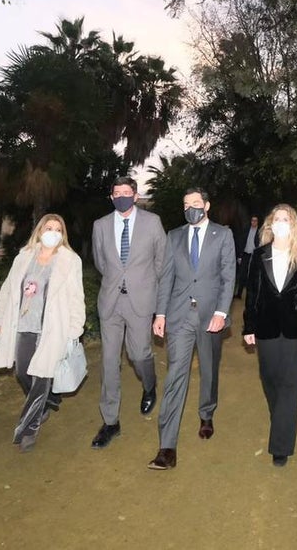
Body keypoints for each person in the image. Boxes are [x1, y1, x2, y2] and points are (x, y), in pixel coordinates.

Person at [148, 187, 236, 470]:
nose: (191, 208)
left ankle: (206, 412)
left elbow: (228, 276)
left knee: (209, 368)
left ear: (206, 206)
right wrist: (160, 313)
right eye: (186, 204)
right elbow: (166, 278)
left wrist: (221, 312)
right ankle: (167, 448)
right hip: (180, 315)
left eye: (196, 203)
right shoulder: (174, 236)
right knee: (175, 374)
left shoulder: (223, 234)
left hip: (210, 316)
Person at [0, 213, 85, 453]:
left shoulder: (70, 260)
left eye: (58, 230)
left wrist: (75, 328)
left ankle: (28, 430)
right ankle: (47, 400)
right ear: (40, 231)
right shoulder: (24, 257)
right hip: (23, 325)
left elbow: (77, 296)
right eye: (48, 228)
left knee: (41, 376)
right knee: (23, 373)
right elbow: (8, 288)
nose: (53, 233)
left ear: (62, 235)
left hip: (52, 329)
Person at [90, 176, 168, 449]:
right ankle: (110, 421)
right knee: (109, 361)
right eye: (117, 193)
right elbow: (100, 262)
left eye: (127, 192)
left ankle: (149, 385)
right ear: (111, 197)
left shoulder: (152, 222)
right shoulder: (100, 225)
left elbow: (161, 262)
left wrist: (146, 286)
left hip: (141, 300)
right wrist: (118, 279)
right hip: (111, 302)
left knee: (139, 354)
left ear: (135, 196)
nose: (122, 196)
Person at [243, 204, 297, 466]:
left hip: (295, 329)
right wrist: (248, 327)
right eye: (277, 219)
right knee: (269, 378)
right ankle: (281, 417)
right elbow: (252, 293)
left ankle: (281, 445)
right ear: (270, 224)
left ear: (293, 224)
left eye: (286, 219)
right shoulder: (259, 255)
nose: (281, 223)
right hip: (266, 326)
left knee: (289, 384)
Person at [234, 215, 260, 298]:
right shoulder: (246, 230)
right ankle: (239, 294)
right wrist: (239, 256)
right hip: (245, 254)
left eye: (255, 220)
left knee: (252, 275)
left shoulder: (259, 232)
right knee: (242, 274)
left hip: (253, 256)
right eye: (252, 220)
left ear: (257, 222)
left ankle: (250, 295)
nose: (254, 222)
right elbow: (241, 242)